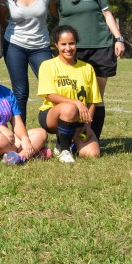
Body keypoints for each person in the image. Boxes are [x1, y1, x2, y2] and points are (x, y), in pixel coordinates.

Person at [54, 0, 124, 141]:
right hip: (72, 51)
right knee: (72, 97)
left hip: (101, 47)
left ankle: (93, 139)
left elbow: (107, 13)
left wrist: (118, 38)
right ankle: (69, 139)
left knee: (96, 98)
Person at [0, 0, 57, 123]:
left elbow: (56, 12)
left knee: (53, 89)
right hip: (14, 46)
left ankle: (62, 136)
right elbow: (1, 18)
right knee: (20, 92)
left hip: (41, 46)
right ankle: (20, 136)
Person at [36, 25, 103, 162]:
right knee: (70, 107)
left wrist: (87, 125)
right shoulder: (48, 65)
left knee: (92, 154)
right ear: (56, 45)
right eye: (63, 44)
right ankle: (63, 149)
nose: (68, 48)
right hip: (52, 115)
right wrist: (76, 102)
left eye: (71, 43)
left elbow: (93, 101)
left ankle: (70, 143)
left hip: (78, 121)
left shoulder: (87, 68)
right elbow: (51, 95)